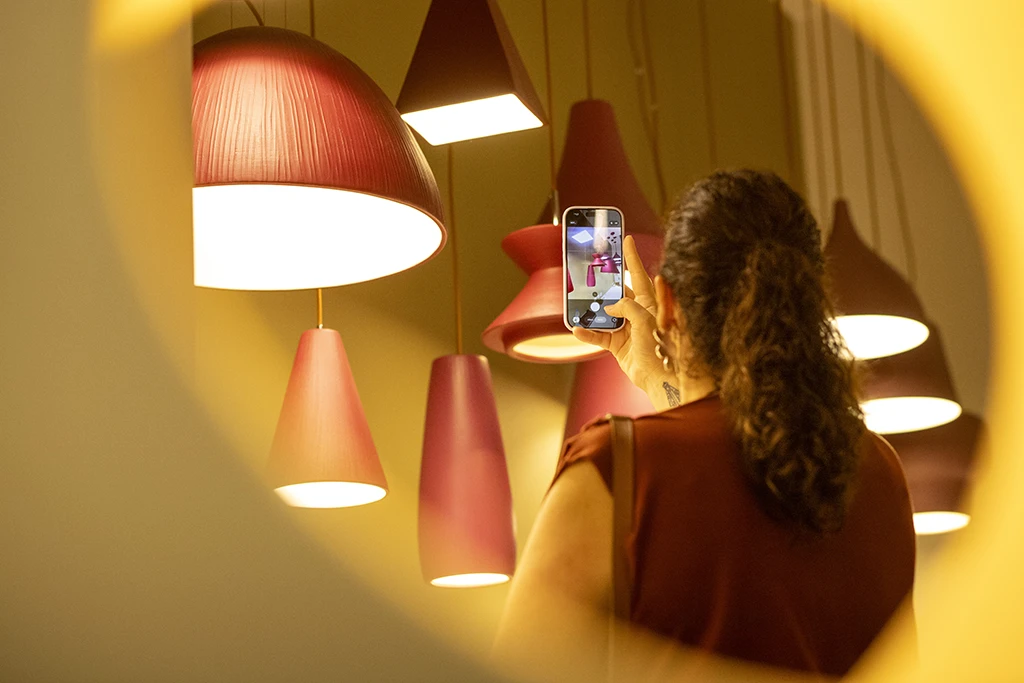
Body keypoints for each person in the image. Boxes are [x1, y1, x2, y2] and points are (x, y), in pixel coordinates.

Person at [493, 170, 916, 681]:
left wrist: (666, 390)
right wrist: (663, 387)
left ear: (668, 303)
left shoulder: (616, 465)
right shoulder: (878, 467)